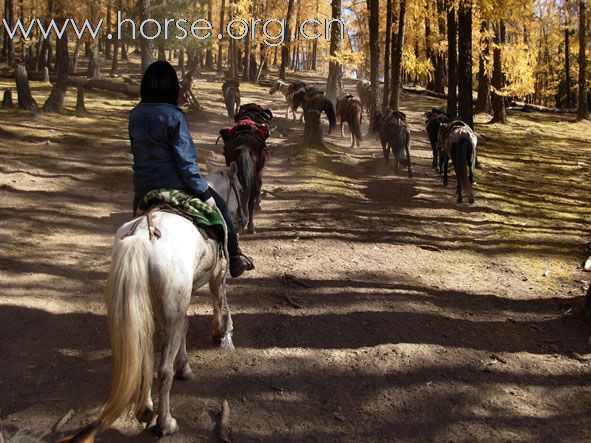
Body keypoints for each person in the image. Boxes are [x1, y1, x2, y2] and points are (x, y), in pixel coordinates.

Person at [129, 60, 254, 278]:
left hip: (143, 188)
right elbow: (185, 162)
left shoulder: (136, 114)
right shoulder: (174, 116)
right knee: (222, 208)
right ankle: (235, 259)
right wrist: (204, 192)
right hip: (176, 186)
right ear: (171, 87)